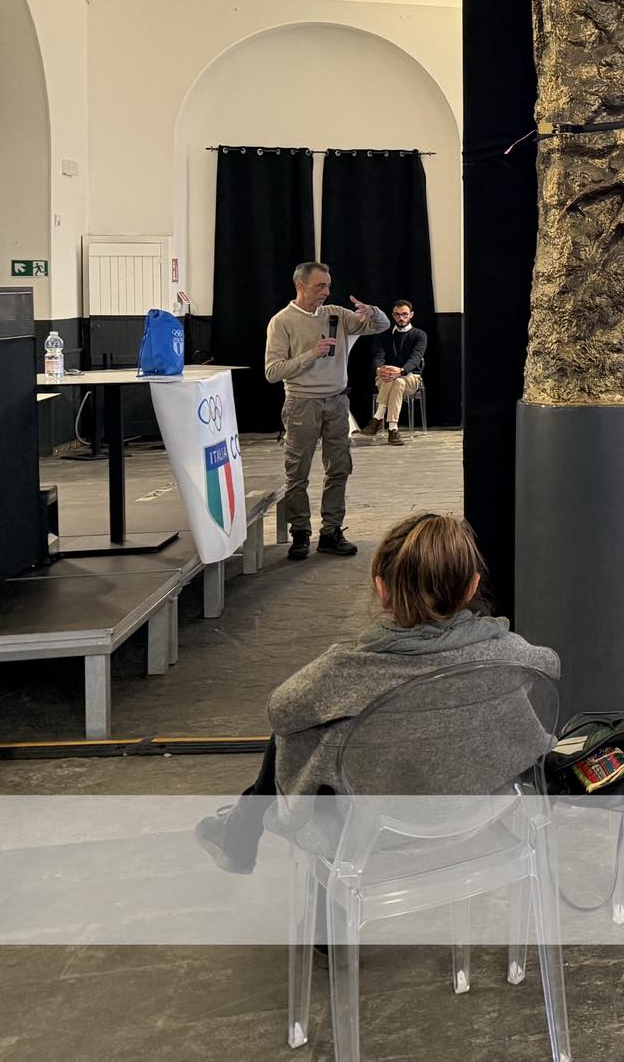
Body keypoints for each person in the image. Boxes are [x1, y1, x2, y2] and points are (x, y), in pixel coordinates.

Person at [192, 513, 557, 872]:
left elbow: (281, 710)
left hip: (367, 837)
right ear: (472, 587)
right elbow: (549, 664)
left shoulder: (341, 672)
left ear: (381, 589)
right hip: (478, 815)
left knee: (303, 727)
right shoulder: (509, 654)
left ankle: (241, 829)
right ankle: (240, 828)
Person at [264, 261, 390, 559]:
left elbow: (381, 326)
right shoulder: (282, 321)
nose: (326, 292)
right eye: (320, 286)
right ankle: (300, 533)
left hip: (337, 402)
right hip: (301, 403)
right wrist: (311, 354)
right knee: (297, 471)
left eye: (328, 286)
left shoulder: (336, 314)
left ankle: (331, 531)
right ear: (300, 286)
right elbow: (272, 371)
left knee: (339, 468)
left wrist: (373, 311)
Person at [360, 296, 427, 445]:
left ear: (411, 315)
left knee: (399, 381)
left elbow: (416, 358)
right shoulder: (384, 334)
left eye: (404, 314)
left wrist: (401, 371)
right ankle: (393, 428)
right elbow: (378, 356)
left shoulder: (420, 335)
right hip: (386, 376)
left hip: (411, 376)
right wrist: (379, 369)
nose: (401, 318)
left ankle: (377, 418)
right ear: (392, 315)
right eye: (397, 314)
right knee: (396, 382)